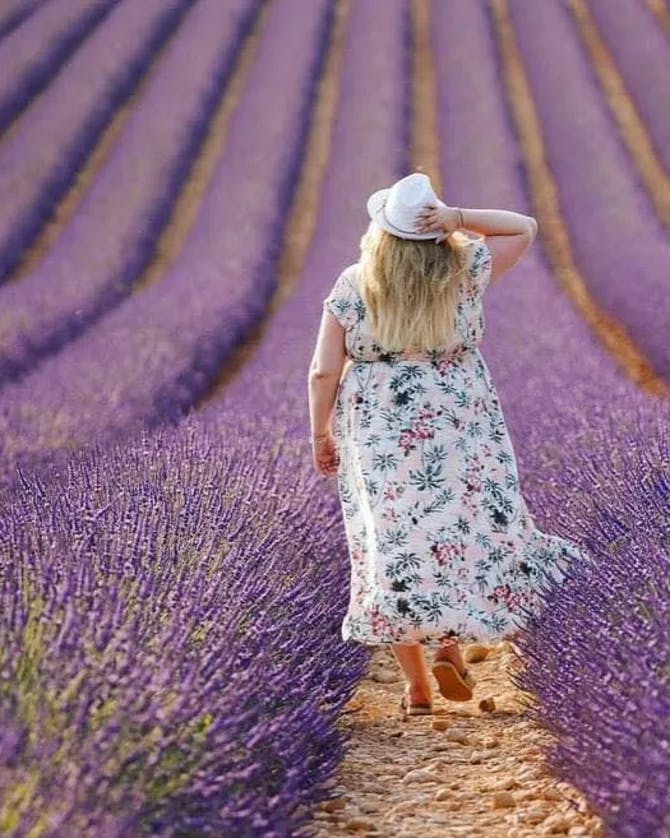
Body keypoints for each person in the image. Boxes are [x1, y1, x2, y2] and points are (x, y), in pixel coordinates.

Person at [307, 172, 590, 718]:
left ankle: (415, 687)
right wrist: (458, 219)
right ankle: (449, 646)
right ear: (432, 229)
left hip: (378, 424)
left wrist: (321, 433)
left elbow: (323, 371)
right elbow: (523, 228)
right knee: (453, 531)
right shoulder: (463, 270)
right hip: (457, 417)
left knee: (393, 543)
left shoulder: (353, 283)